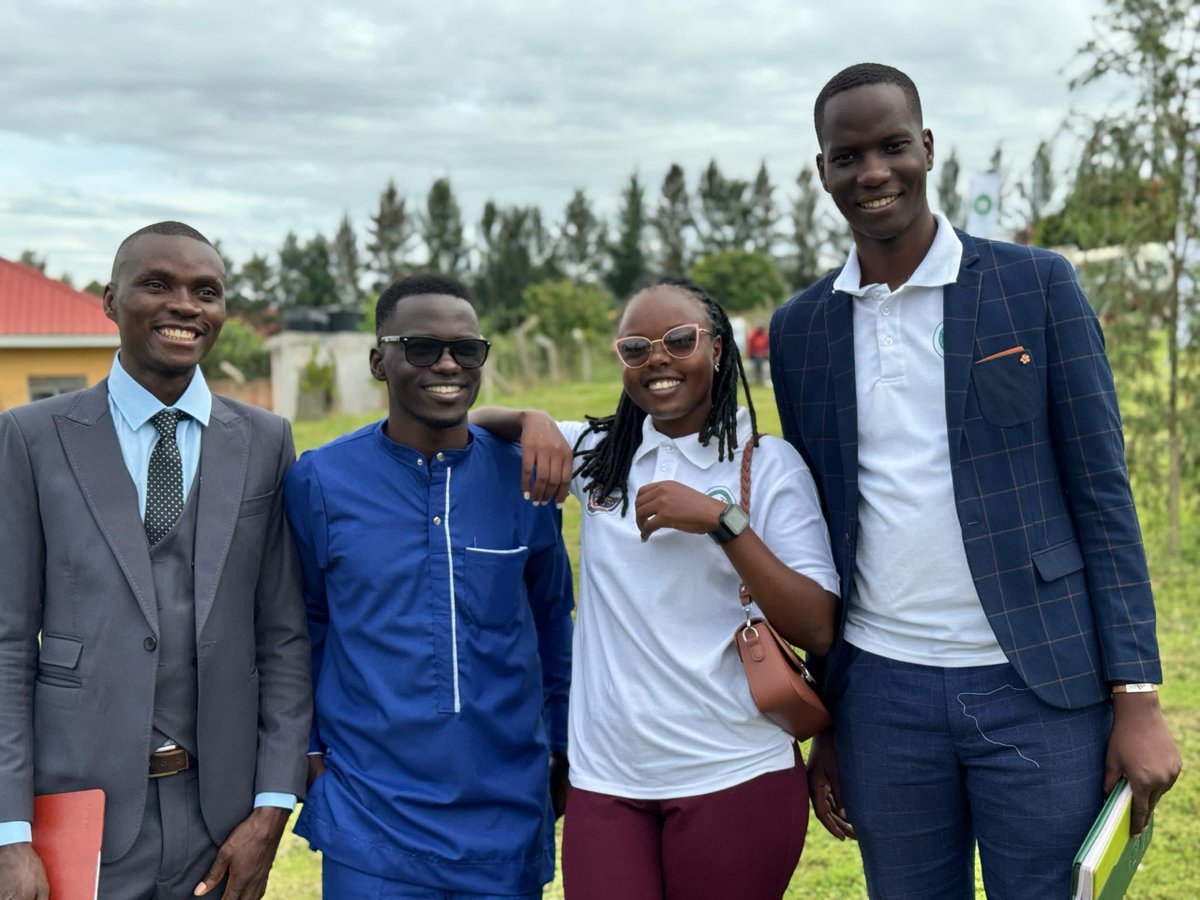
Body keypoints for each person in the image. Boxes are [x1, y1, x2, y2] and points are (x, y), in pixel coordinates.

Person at [769, 63, 1181, 898]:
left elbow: (1103, 497)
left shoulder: (1036, 286)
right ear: (823, 172)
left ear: (927, 148)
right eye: (847, 156)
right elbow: (817, 532)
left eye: (891, 146)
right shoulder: (802, 328)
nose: (873, 171)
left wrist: (1136, 697)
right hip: (882, 693)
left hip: (1039, 681)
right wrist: (833, 719)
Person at [473, 277, 840, 900]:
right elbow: (480, 420)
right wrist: (532, 418)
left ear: (719, 349)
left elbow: (817, 626)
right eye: (636, 348)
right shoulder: (597, 455)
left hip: (733, 770)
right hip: (608, 779)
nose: (658, 359)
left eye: (678, 340)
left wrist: (722, 523)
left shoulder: (768, 466)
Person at [0, 221, 311, 900]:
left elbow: (284, 637)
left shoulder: (265, 441)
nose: (185, 305)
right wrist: (9, 831)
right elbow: (8, 643)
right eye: (157, 284)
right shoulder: (31, 437)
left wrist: (270, 807)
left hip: (219, 819)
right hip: (76, 812)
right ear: (109, 300)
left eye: (206, 291)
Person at [282, 273, 574, 899]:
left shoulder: (523, 478)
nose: (447, 363)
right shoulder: (321, 480)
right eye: (421, 347)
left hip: (506, 805)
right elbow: (302, 623)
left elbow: (554, 619)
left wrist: (563, 742)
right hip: (371, 811)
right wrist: (304, 747)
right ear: (378, 361)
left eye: (466, 349)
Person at [746, 322, 770, 386]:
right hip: (755, 355)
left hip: (764, 355)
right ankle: (759, 379)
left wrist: (766, 353)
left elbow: (768, 347)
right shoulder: (752, 336)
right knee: (759, 360)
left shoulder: (765, 336)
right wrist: (755, 354)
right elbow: (750, 349)